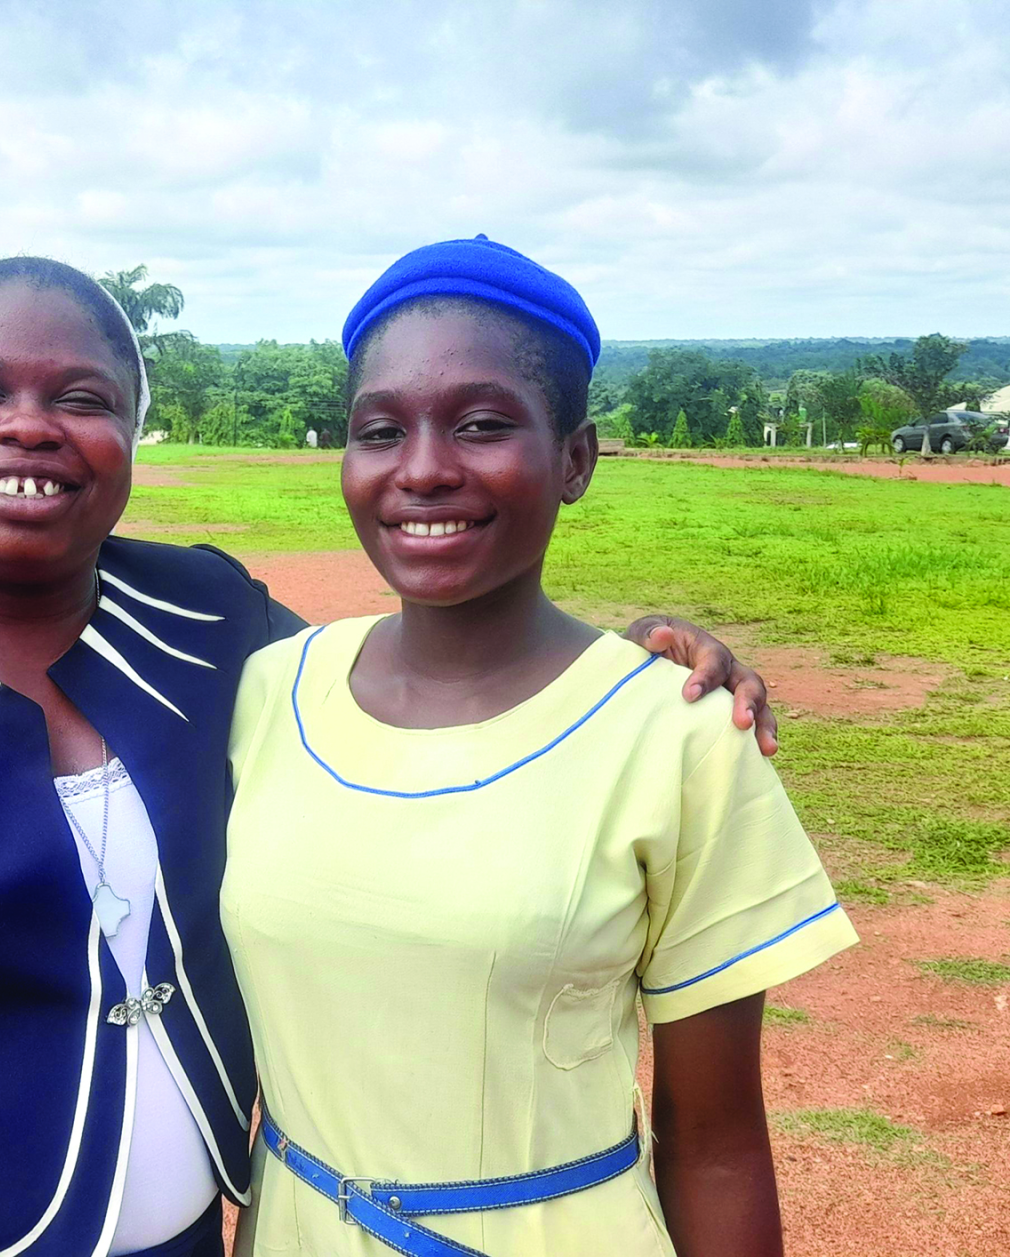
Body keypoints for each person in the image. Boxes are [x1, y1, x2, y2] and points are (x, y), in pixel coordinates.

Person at [0, 255, 776, 1257]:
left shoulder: (208, 616)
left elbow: (427, 703)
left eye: (84, 397)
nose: (32, 426)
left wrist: (623, 666)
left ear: (127, 434)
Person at [222, 237, 859, 1257]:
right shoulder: (269, 693)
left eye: (479, 425)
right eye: (379, 429)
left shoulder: (678, 733)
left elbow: (715, 1141)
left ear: (574, 458)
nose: (422, 469)